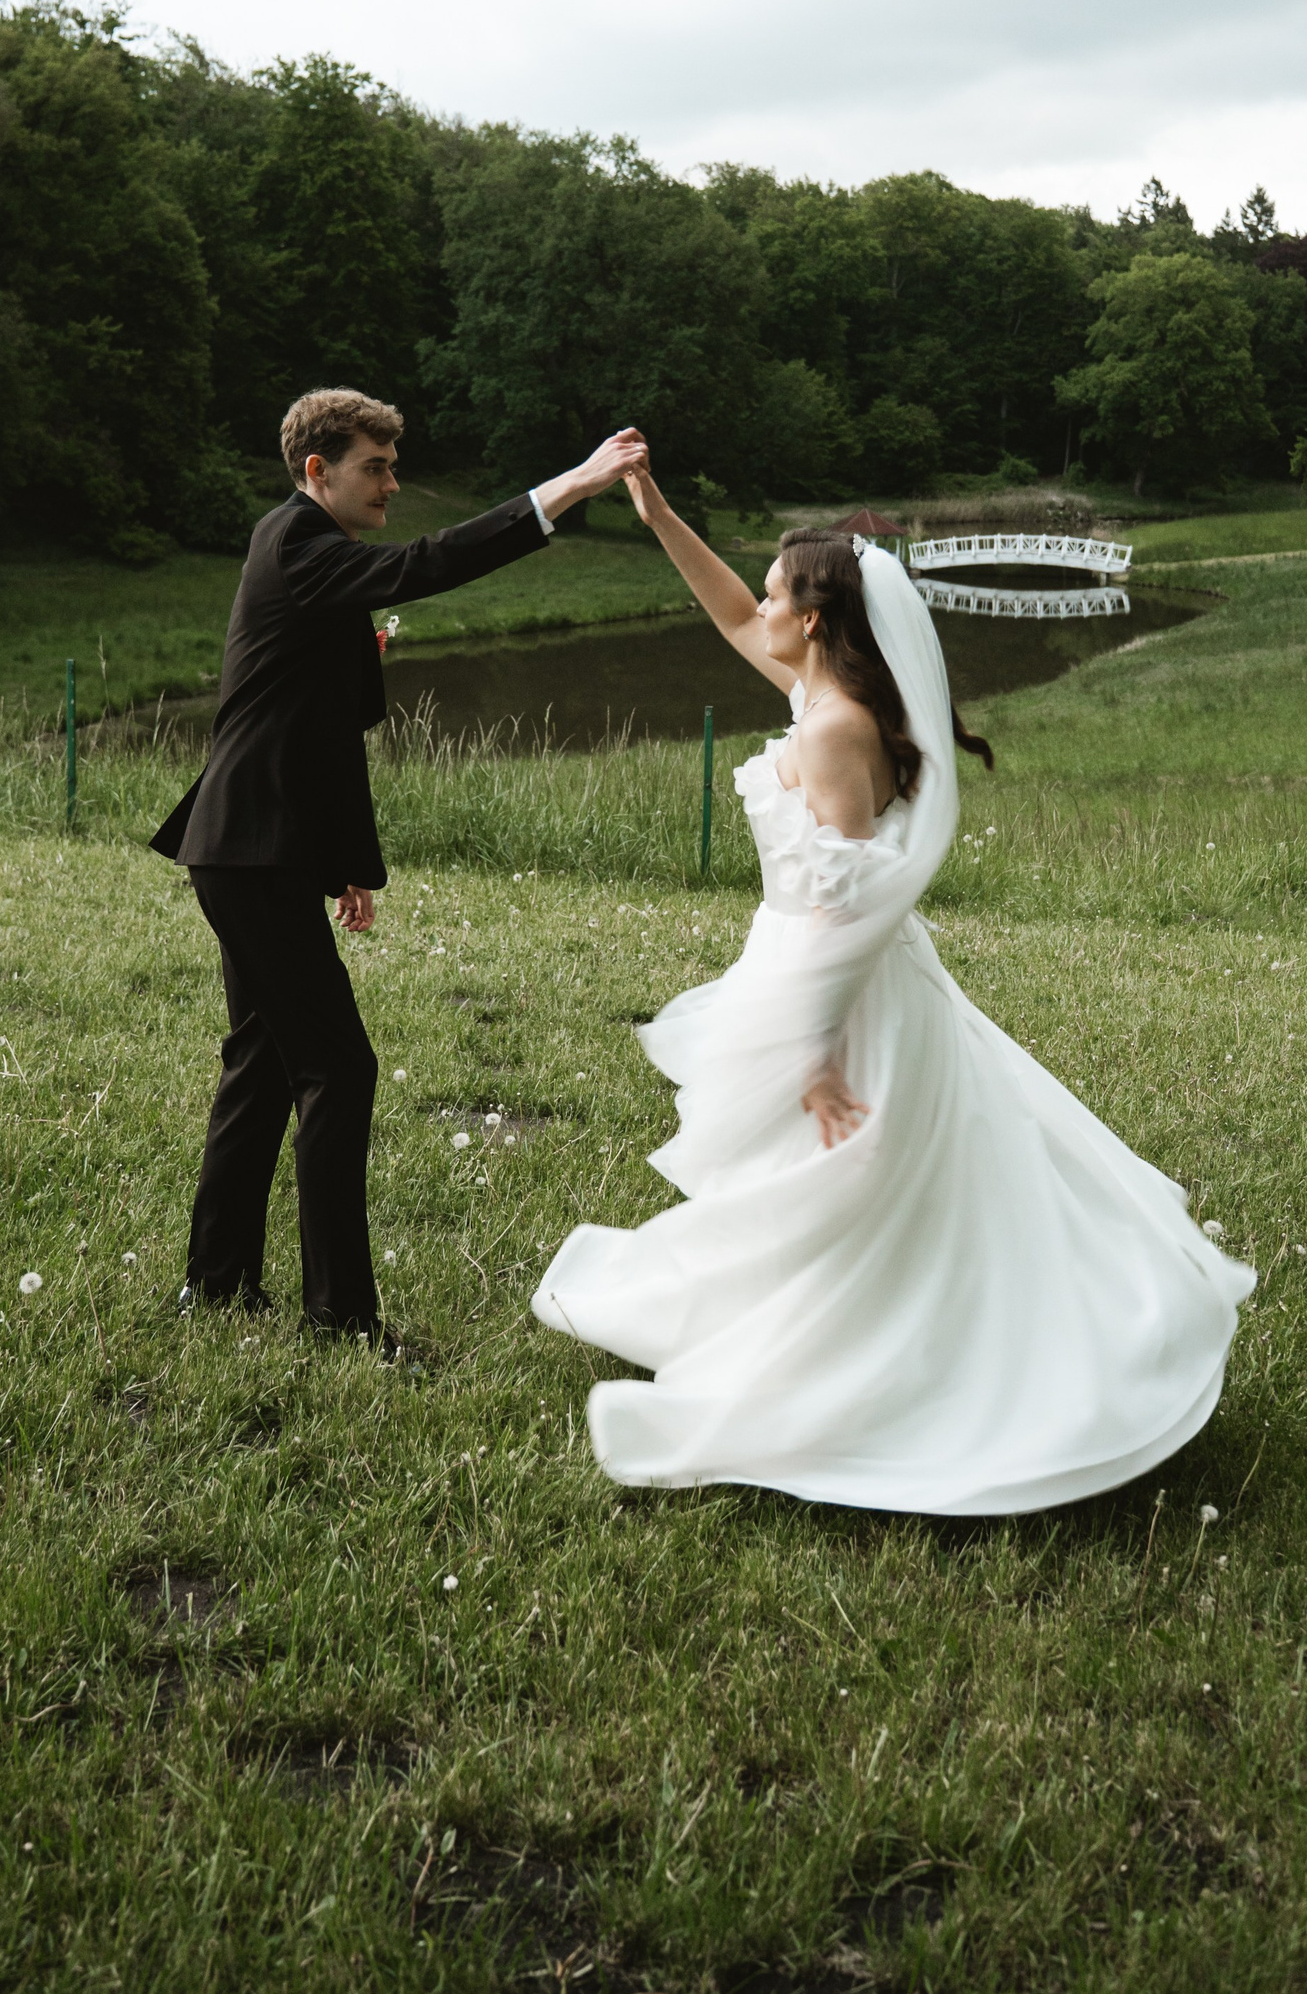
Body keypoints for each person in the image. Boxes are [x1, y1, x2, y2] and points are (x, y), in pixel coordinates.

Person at [532, 475, 1255, 1508]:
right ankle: (813, 1337)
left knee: (844, 1190)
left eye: (777, 593)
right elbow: (730, 614)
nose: (760, 605)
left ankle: (864, 1377)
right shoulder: (822, 699)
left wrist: (813, 1053)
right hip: (806, 969)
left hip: (841, 991)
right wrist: (658, 517)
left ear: (812, 620)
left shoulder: (833, 730)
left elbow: (843, 910)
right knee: (815, 1193)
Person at [154, 387, 646, 1350]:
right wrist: (571, 487)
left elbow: (324, 733)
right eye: (374, 467)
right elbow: (427, 564)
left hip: (255, 846)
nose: (391, 483)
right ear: (317, 472)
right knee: (338, 1067)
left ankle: (216, 1285)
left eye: (391, 465)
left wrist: (347, 864)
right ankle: (340, 1319)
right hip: (248, 848)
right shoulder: (296, 542)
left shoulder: (309, 551)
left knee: (265, 1060)